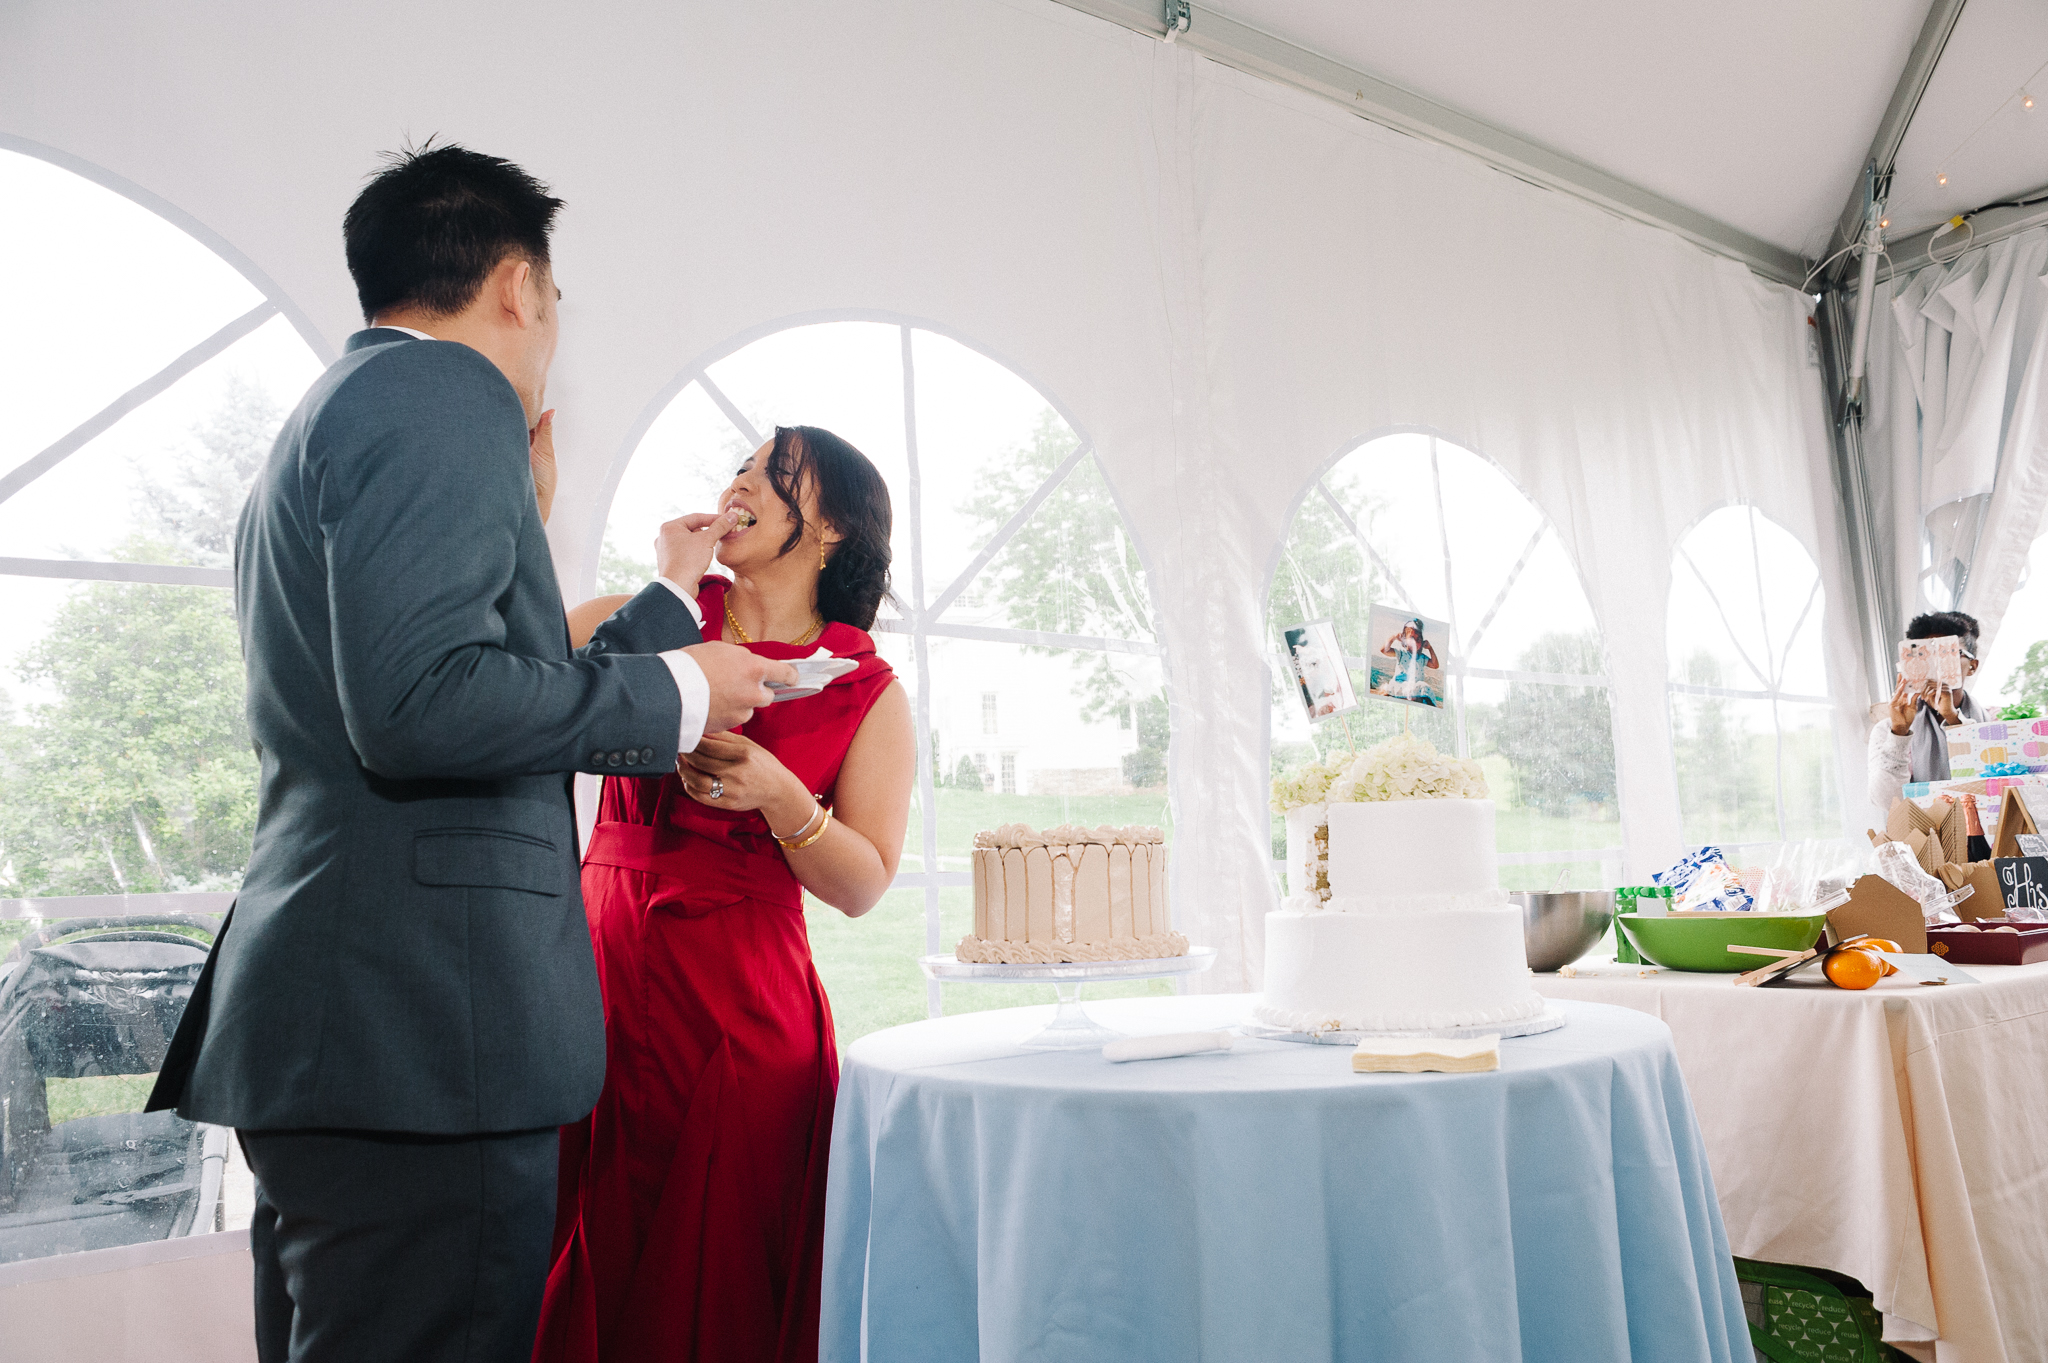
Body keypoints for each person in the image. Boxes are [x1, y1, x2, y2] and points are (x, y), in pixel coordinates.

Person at [144, 144, 796, 1363]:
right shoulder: (441, 398)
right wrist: (678, 685)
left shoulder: (345, 408)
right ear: (517, 285)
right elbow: (422, 702)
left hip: (363, 1025)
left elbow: (474, 671)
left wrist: (665, 600)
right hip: (421, 1035)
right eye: (556, 301)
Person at [534, 426, 915, 1362]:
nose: (738, 482)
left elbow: (864, 883)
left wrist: (783, 797)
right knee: (569, 1235)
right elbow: (501, 696)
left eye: (771, 473)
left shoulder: (865, 687)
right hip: (591, 978)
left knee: (726, 1272)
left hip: (742, 1011)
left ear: (829, 528)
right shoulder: (638, 616)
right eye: (738, 467)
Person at [1867, 610, 1988, 812]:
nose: (1936, 665)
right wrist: (1899, 734)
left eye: (1948, 653)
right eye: (1923, 654)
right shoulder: (1889, 729)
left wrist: (1953, 719)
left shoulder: (1994, 722)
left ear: (1972, 666)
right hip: (1924, 839)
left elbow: (1991, 786)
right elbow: (1887, 802)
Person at [1380, 618, 1440, 705]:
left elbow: (1435, 665)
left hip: (1414, 688)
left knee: (1424, 688)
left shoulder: (1422, 658)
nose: (1415, 642)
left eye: (1418, 639)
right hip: (1401, 685)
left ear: (1422, 642)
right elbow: (1384, 650)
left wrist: (1430, 648)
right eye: (1411, 638)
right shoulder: (1401, 653)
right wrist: (1394, 637)